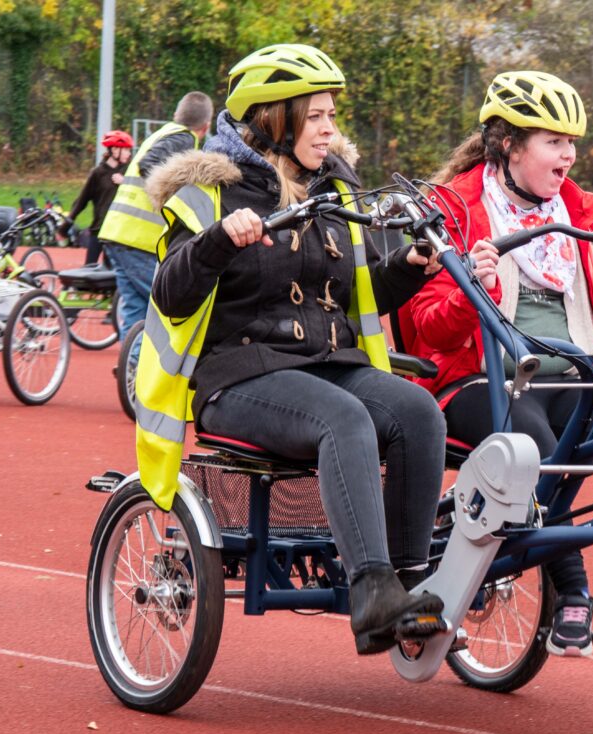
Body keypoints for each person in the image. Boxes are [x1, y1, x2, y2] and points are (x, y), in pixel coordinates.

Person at [137, 43, 447, 655]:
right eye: (315, 116)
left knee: (418, 413)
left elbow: (354, 295)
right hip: (240, 378)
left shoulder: (333, 190)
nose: (331, 129)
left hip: (328, 365)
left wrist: (408, 268)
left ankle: (409, 583)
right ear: (272, 119)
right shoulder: (209, 192)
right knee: (346, 420)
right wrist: (218, 242)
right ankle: (372, 590)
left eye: (332, 115)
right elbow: (170, 295)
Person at [402, 71, 593, 657]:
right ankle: (571, 591)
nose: (569, 155)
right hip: (474, 379)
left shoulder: (583, 214)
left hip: (570, 378)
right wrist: (471, 290)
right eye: (553, 141)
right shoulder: (453, 209)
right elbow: (425, 326)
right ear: (509, 145)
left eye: (572, 143)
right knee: (536, 443)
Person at [98, 91, 214, 336]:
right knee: (164, 306)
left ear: (175, 114)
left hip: (118, 233)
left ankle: (131, 367)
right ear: (206, 126)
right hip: (137, 240)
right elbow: (149, 164)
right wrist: (173, 196)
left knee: (136, 311)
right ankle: (139, 368)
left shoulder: (164, 133)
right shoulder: (182, 139)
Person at [64, 130, 134, 265]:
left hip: (116, 234)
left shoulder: (129, 172)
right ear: (114, 150)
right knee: (89, 269)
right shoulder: (98, 173)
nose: (129, 154)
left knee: (111, 274)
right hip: (98, 230)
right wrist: (65, 226)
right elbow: (81, 201)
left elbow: (138, 193)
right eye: (126, 150)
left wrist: (125, 182)